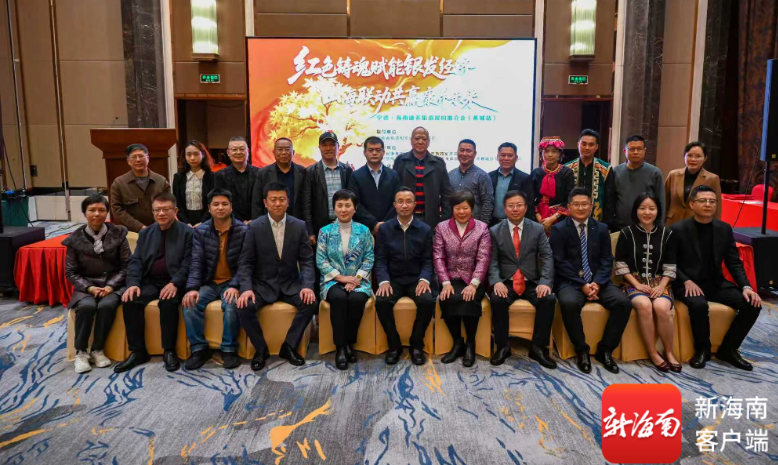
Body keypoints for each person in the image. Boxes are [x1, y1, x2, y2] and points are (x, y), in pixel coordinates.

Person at [672, 185, 762, 370]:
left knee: (752, 304)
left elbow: (733, 262)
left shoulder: (724, 229)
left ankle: (728, 349)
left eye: (712, 201)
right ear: (692, 204)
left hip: (715, 283)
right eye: (703, 201)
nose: (708, 204)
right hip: (687, 283)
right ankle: (702, 350)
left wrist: (746, 287)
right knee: (698, 305)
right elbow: (670, 263)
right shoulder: (678, 229)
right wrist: (686, 280)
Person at [550, 187, 631, 374]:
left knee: (623, 303)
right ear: (569, 206)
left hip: (599, 281)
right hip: (570, 281)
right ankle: (582, 351)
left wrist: (597, 283)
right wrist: (582, 285)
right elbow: (559, 262)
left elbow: (607, 260)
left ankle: (605, 350)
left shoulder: (601, 229)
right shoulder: (558, 229)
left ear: (591, 205)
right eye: (576, 204)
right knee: (569, 303)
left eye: (584, 204)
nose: (580, 208)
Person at [237, 182, 317, 370]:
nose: (278, 203)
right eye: (273, 200)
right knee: (244, 306)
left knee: (310, 303)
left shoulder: (299, 226)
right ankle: (261, 349)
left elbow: (306, 261)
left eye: (282, 199)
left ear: (288, 202)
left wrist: (307, 286)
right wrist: (246, 289)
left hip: (290, 284)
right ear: (265, 203)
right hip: (262, 285)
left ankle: (289, 346)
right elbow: (246, 262)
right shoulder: (255, 227)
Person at [115, 192, 193, 373]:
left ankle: (169, 350)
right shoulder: (146, 233)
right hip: (150, 281)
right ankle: (138, 351)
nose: (161, 213)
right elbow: (136, 261)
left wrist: (175, 283)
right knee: (130, 299)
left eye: (166, 209)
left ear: (175, 211)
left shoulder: (188, 233)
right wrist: (133, 283)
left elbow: (189, 263)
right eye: (157, 210)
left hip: (174, 281)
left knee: (168, 302)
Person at [488, 190, 557, 368]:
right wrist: (496, 281)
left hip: (531, 281)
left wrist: (545, 282)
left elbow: (547, 256)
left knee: (548, 299)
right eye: (511, 206)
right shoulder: (495, 231)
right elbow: (492, 261)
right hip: (507, 281)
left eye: (519, 205)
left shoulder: (537, 229)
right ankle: (503, 346)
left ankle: (538, 347)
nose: (515, 209)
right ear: (504, 208)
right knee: (497, 299)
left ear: (526, 208)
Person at [181, 188, 248, 370]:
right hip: (209, 283)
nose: (220, 208)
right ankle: (199, 349)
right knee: (190, 303)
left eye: (224, 204)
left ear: (231, 207)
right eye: (216, 204)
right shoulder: (201, 231)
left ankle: (228, 349)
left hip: (231, 283)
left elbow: (245, 263)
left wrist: (235, 285)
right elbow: (196, 261)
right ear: (209, 208)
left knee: (232, 304)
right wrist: (192, 288)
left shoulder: (243, 230)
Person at [64, 194, 131, 373]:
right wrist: (89, 288)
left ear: (107, 213)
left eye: (101, 210)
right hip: (86, 285)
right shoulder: (74, 239)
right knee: (86, 306)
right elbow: (71, 272)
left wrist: (110, 286)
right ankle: (81, 352)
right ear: (84, 213)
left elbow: (127, 266)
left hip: (113, 284)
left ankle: (97, 350)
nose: (97, 214)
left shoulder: (118, 234)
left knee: (107, 305)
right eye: (92, 210)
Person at [614, 193, 680, 372]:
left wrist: (661, 285)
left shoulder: (667, 234)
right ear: (636, 211)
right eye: (642, 208)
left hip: (660, 282)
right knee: (644, 305)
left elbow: (670, 265)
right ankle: (653, 353)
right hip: (633, 282)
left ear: (658, 211)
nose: (647, 212)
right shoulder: (626, 233)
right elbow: (620, 264)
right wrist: (636, 284)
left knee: (661, 307)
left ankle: (669, 352)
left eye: (652, 208)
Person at [374, 187, 435, 365]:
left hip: (416, 279)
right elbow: (380, 259)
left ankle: (416, 344)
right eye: (400, 201)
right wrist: (384, 281)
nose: (404, 205)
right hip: (393, 279)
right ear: (394, 205)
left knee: (427, 301)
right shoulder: (385, 229)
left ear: (415, 205)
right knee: (382, 301)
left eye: (409, 201)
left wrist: (424, 279)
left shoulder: (424, 229)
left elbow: (428, 260)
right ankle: (394, 345)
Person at [316, 189, 374, 370]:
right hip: (332, 280)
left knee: (357, 299)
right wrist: (341, 278)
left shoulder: (364, 231)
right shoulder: (325, 231)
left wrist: (356, 279)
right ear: (334, 208)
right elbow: (321, 260)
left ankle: (350, 342)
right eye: (339, 205)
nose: (343, 209)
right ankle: (340, 348)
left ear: (355, 208)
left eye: (348, 205)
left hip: (359, 280)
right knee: (339, 298)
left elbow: (369, 258)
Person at [433, 190, 491, 367]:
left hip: (473, 278)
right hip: (450, 278)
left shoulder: (482, 228)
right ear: (452, 209)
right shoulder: (441, 227)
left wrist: (474, 284)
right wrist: (445, 283)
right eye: (457, 208)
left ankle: (470, 344)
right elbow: (438, 257)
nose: (461, 212)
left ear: (472, 208)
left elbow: (483, 258)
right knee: (448, 297)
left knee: (468, 298)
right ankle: (457, 342)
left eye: (465, 208)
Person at [393, 126, 454, 227]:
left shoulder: (438, 163)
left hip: (430, 220)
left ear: (428, 142)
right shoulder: (401, 161)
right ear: (411, 140)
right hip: (404, 218)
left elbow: (446, 194)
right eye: (417, 138)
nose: (420, 142)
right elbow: (393, 191)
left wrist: (444, 220)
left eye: (424, 139)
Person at [302, 131, 354, 245]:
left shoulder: (347, 170)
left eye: (332, 145)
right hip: (320, 226)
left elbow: (352, 199)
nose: (328, 148)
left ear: (338, 146)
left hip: (344, 224)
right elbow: (306, 203)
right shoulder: (311, 171)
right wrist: (310, 231)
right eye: (324, 145)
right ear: (319, 148)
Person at [110, 143, 171, 232]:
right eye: (134, 157)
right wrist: (140, 227)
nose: (138, 160)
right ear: (128, 161)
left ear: (148, 158)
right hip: (131, 232)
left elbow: (168, 205)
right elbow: (117, 210)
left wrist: (156, 226)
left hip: (160, 230)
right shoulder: (119, 183)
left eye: (141, 156)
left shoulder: (161, 181)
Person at [347, 136, 401, 235]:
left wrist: (384, 224)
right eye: (370, 150)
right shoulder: (356, 175)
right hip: (363, 229)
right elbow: (355, 203)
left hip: (390, 228)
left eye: (378, 150)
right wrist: (373, 224)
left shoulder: (393, 175)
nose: (374, 153)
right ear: (364, 153)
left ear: (383, 152)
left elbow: (397, 201)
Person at [612, 135, 665, 230]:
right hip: (619, 226)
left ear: (644, 150)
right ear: (625, 151)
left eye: (639, 149)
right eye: (632, 149)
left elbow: (661, 201)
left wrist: (659, 226)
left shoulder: (654, 172)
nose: (635, 152)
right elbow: (611, 199)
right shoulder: (616, 171)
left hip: (646, 226)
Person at [565, 129, 615, 227]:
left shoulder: (605, 169)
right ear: (578, 144)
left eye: (591, 145)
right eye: (584, 144)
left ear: (596, 147)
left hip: (598, 223)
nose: (587, 147)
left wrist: (607, 225)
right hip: (571, 222)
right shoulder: (567, 168)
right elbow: (564, 198)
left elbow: (610, 200)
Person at [664, 141, 722, 226]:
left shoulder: (712, 178)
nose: (693, 159)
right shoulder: (673, 175)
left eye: (698, 156)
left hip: (697, 224)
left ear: (705, 158)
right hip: (672, 223)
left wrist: (715, 227)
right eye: (689, 155)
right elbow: (665, 201)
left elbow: (716, 207)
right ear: (684, 156)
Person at [251, 138, 307, 220]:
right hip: (270, 221)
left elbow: (307, 201)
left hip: (297, 221)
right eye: (280, 149)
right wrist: (258, 223)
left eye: (287, 149)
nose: (283, 153)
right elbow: (256, 203)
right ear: (274, 152)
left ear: (293, 152)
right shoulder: (263, 173)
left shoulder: (303, 172)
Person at [531, 137, 574, 234]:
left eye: (554, 151)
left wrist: (552, 218)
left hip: (560, 218)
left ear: (559, 154)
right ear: (542, 153)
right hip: (538, 218)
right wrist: (539, 218)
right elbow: (530, 198)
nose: (550, 155)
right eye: (546, 151)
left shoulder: (567, 173)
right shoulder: (535, 173)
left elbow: (569, 198)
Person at [214, 136, 261, 224]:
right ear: (228, 152)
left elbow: (262, 200)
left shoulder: (259, 173)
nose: (238, 152)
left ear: (248, 151)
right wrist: (240, 221)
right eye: (234, 149)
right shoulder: (220, 175)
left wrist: (255, 220)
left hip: (257, 222)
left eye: (242, 149)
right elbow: (221, 201)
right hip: (230, 222)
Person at [448, 139, 494, 223]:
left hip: (475, 224)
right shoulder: (450, 175)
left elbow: (488, 203)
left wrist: (482, 226)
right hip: (453, 224)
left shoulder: (482, 176)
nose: (464, 154)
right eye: (462, 150)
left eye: (468, 151)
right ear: (457, 152)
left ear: (475, 154)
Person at [489, 142, 534, 226]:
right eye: (503, 155)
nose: (506, 158)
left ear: (516, 158)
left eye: (510, 156)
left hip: (516, 224)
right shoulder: (489, 177)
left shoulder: (525, 178)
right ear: (497, 157)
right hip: (492, 223)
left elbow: (529, 204)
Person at [172, 140, 215, 227]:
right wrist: (185, 223)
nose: (192, 158)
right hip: (184, 223)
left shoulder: (212, 177)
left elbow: (213, 202)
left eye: (196, 154)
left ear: (203, 155)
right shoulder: (178, 177)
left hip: (207, 222)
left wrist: (203, 222)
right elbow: (177, 203)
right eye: (188, 154)